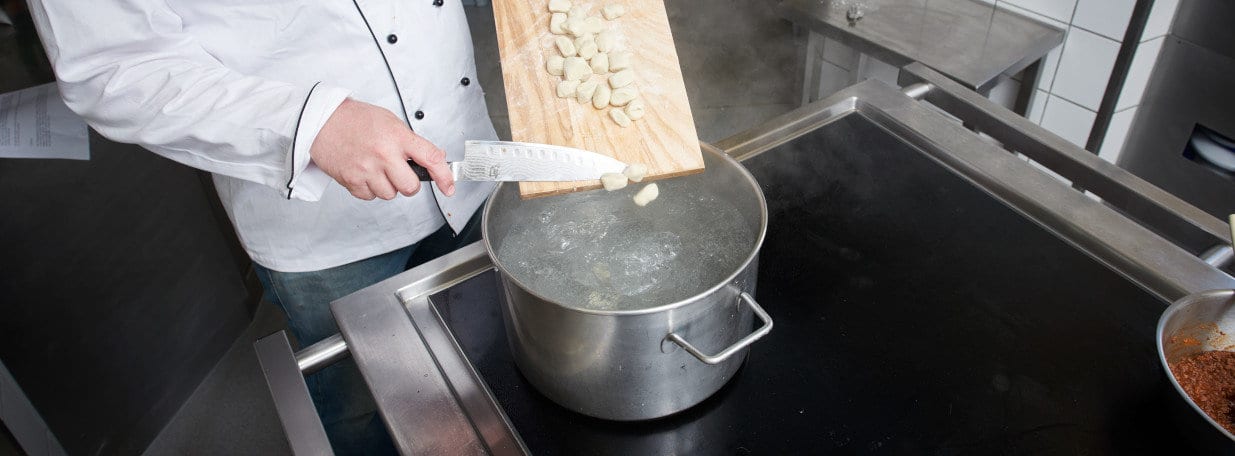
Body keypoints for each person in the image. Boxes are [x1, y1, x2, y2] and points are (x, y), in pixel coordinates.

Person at [26, 1, 499, 453]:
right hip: (325, 228)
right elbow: (110, 67)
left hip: (461, 147)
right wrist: (309, 125)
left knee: (486, 345)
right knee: (362, 398)